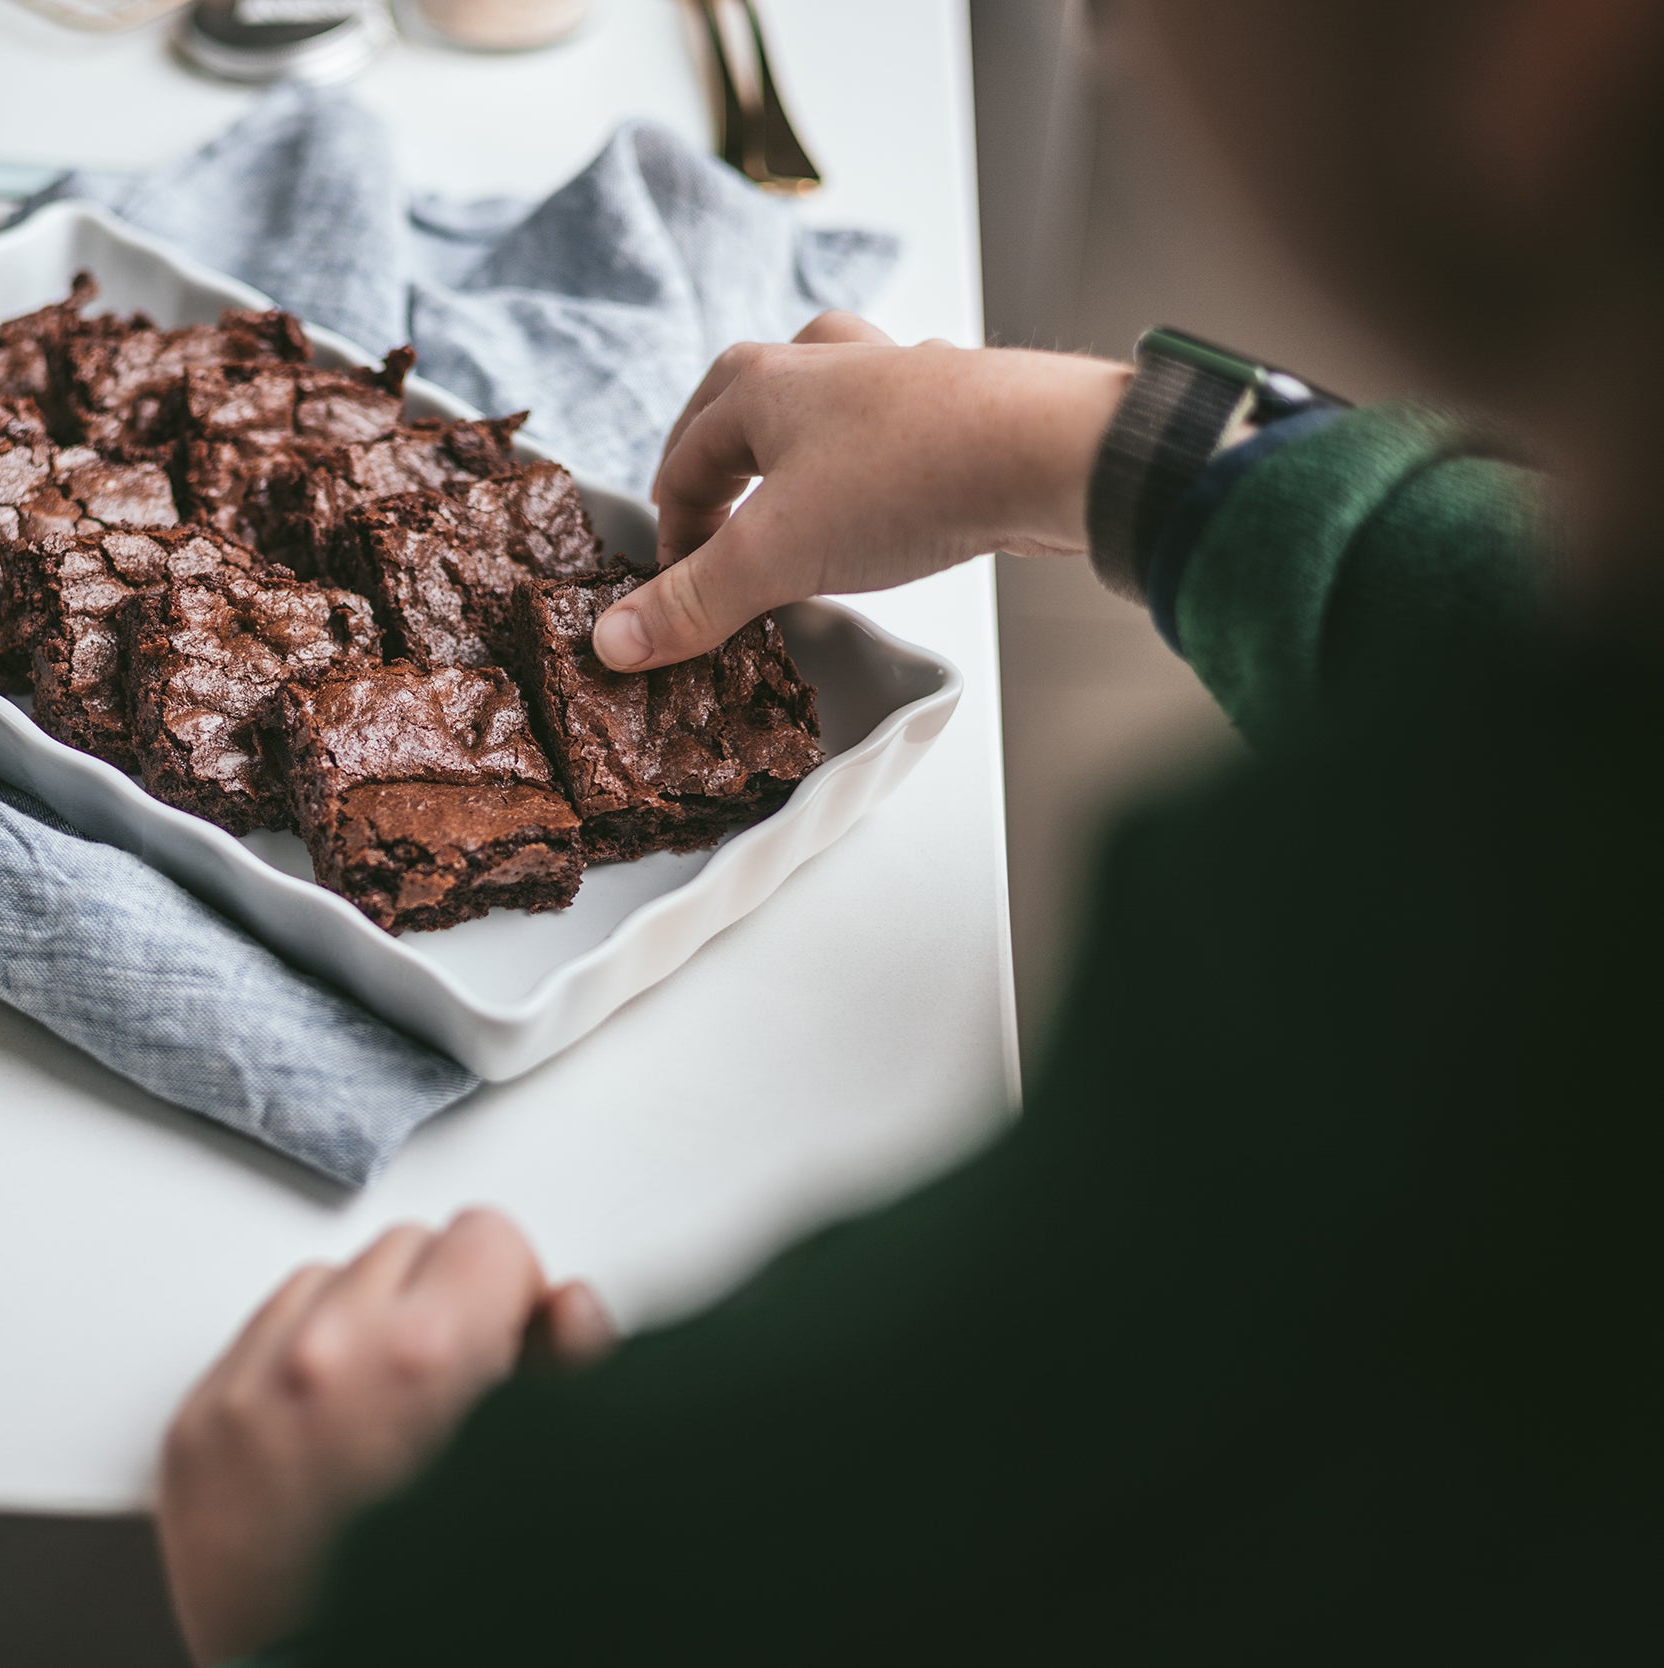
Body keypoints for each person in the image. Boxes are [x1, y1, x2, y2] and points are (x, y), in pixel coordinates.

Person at [155, 0, 1664, 1659]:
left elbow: (917, 1495)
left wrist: (347, 1603)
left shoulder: (1415, 1093)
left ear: (1559, 56)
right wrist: (1120, 449)